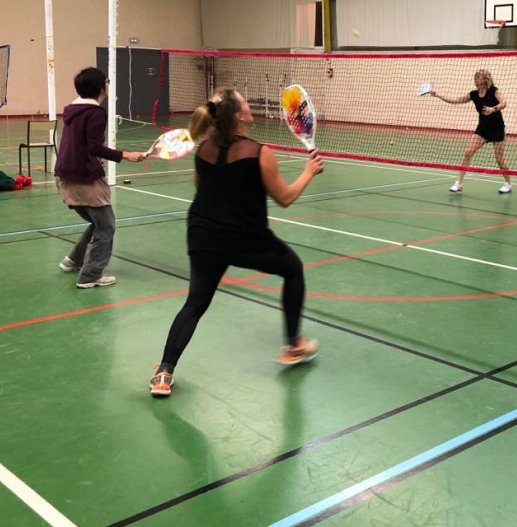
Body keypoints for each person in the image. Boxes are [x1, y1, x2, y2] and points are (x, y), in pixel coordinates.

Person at [149, 88, 324, 398]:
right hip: (245, 238)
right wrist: (308, 171)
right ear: (240, 115)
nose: (249, 103)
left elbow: (203, 188)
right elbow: (284, 198)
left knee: (196, 302)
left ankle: (164, 372)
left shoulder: (204, 149)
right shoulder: (260, 152)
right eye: (246, 101)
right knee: (293, 269)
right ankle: (293, 345)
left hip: (203, 234)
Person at [54, 67, 146, 288]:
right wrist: (126, 155)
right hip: (83, 177)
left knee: (99, 223)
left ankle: (73, 260)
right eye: (106, 81)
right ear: (100, 88)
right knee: (106, 226)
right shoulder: (95, 113)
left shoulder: (72, 111)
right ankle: (91, 276)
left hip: (64, 176)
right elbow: (95, 147)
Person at [429, 69, 512, 194]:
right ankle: (459, 184)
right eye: (474, 77)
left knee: (499, 160)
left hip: (497, 129)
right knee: (468, 152)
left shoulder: (494, 91)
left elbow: (504, 103)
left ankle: (508, 183)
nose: (475, 79)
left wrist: (493, 109)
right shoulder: (473, 94)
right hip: (482, 129)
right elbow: (455, 100)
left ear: (485, 79)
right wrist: (437, 95)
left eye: (477, 77)